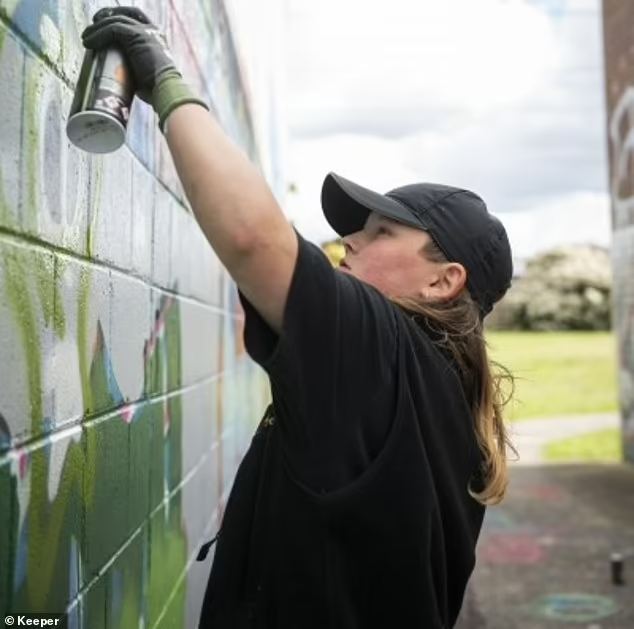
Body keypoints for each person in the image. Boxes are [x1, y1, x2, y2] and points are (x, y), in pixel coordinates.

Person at [82, 7, 515, 628]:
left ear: (444, 281)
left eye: (382, 232)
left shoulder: (383, 353)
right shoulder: (442, 385)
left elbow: (255, 240)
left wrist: (165, 81)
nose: (350, 244)